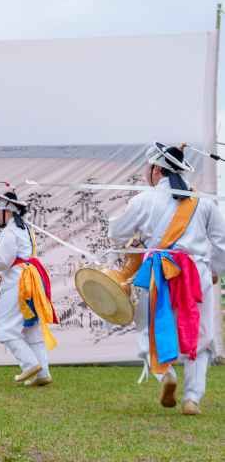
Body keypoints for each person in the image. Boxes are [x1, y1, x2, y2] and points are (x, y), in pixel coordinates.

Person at [108, 142, 225, 415]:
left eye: (147, 168)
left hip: (159, 275)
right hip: (198, 275)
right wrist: (217, 270)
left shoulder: (143, 200)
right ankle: (192, 398)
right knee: (202, 336)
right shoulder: (204, 200)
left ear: (157, 169)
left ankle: (166, 374)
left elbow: (117, 233)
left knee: (148, 331)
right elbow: (221, 243)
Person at [0, 188, 58, 387]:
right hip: (30, 278)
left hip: (21, 282)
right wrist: (1, 270)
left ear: (6, 210)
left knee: (6, 328)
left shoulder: (10, 231)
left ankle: (29, 365)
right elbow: (14, 259)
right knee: (31, 329)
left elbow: (2, 260)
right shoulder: (24, 228)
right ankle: (42, 372)